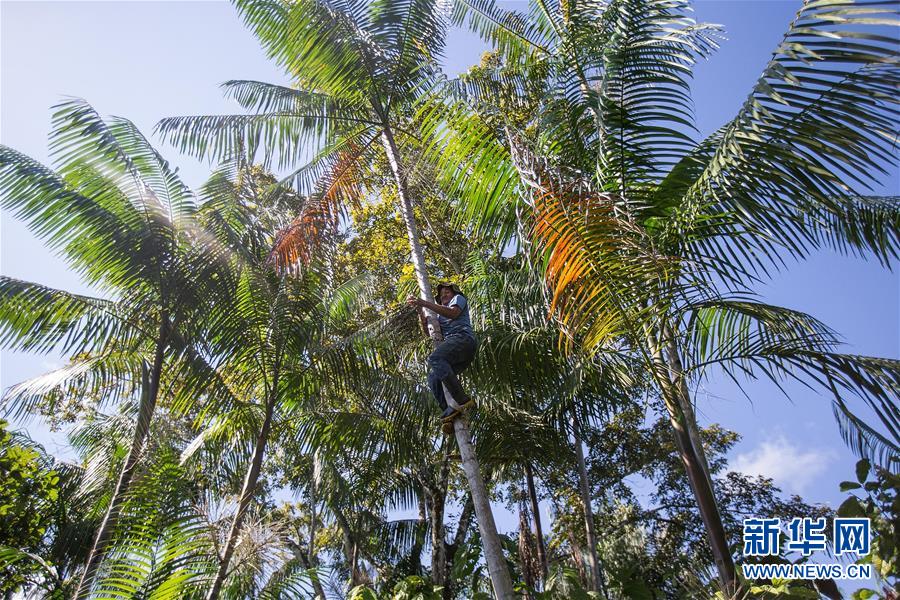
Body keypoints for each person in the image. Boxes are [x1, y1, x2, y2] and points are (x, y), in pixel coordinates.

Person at [407, 283, 477, 423]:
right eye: (441, 294)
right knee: (434, 377)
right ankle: (450, 411)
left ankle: (462, 400)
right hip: (457, 350)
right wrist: (420, 311)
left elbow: (453, 313)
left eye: (447, 292)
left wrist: (424, 302)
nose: (443, 295)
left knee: (435, 358)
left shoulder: (458, 299)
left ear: (453, 293)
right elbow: (429, 332)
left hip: (463, 339)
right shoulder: (439, 316)